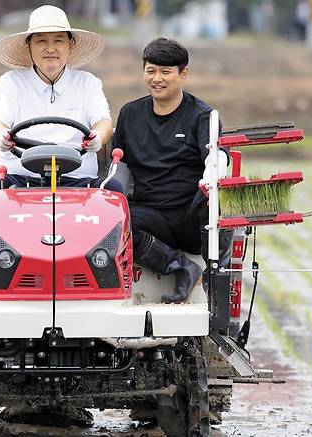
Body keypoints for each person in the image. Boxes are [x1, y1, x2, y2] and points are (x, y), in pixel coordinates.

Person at [0, 5, 121, 302]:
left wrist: (98, 138)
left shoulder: (88, 84)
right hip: (19, 179)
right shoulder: (11, 82)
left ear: (71, 45)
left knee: (115, 191)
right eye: (41, 41)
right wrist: (2, 136)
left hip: (76, 180)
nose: (50, 49)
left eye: (58, 41)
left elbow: (103, 122)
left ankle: (113, 272)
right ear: (29, 46)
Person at [113, 38, 231, 303]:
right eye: (151, 70)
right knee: (111, 220)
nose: (157, 78)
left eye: (166, 72)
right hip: (151, 214)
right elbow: (118, 165)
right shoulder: (130, 114)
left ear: (183, 74)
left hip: (189, 214)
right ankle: (182, 268)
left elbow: (217, 156)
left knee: (216, 197)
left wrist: (215, 169)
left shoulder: (203, 115)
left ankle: (216, 275)